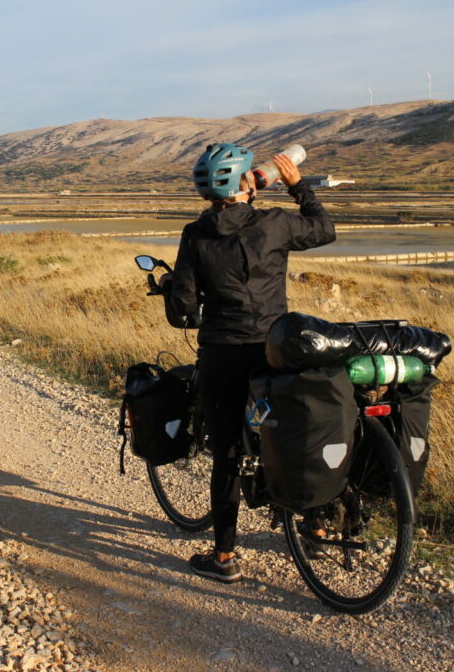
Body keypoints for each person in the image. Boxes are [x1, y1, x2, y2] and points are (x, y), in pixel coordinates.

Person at [166, 142, 336, 583]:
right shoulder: (274, 223)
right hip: (278, 348)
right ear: (250, 183)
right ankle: (315, 524)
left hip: (224, 352)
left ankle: (224, 558)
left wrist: (178, 294)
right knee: (296, 434)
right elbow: (323, 229)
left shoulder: (196, 234)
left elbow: (181, 308)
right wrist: (300, 188)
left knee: (226, 452)